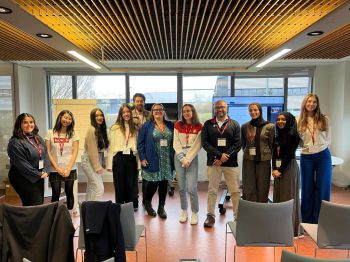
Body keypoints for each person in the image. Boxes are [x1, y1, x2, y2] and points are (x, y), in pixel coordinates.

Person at [202, 100, 241, 227]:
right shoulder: (208, 124)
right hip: (214, 162)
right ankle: (210, 216)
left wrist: (225, 157)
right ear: (214, 109)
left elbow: (238, 144)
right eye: (217, 107)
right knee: (212, 190)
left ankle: (237, 217)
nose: (220, 109)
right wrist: (219, 156)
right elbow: (205, 143)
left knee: (235, 191)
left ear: (227, 108)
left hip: (231, 163)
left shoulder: (234, 124)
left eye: (222, 107)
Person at [297, 93, 332, 224]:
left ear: (317, 104)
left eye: (314, 102)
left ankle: (320, 219)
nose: (311, 104)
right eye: (309, 102)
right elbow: (299, 141)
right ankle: (306, 220)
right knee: (306, 188)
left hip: (323, 155)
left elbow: (329, 138)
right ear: (305, 104)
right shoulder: (298, 120)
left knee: (322, 187)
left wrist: (319, 147)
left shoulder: (325, 119)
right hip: (306, 157)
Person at [137, 103, 174, 219]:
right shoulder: (146, 126)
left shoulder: (170, 125)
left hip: (167, 160)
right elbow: (140, 144)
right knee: (152, 183)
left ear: (164, 111)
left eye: (160, 109)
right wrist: (142, 158)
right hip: (152, 158)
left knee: (163, 183)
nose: (158, 111)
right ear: (152, 112)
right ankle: (148, 204)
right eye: (155, 109)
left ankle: (161, 207)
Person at [7, 113, 49, 206]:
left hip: (38, 176)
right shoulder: (15, 142)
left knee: (39, 203)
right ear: (19, 125)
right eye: (25, 122)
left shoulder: (37, 137)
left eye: (31, 122)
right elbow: (22, 164)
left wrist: (45, 170)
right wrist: (38, 173)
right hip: (22, 176)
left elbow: (45, 154)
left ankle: (35, 220)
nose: (29, 125)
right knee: (33, 203)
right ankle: (29, 220)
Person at [45, 110, 79, 214]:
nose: (67, 120)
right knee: (55, 192)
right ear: (60, 117)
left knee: (69, 192)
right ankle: (54, 216)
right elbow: (48, 152)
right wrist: (57, 168)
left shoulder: (73, 133)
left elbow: (75, 152)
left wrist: (68, 168)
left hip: (70, 167)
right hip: (55, 168)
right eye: (65, 117)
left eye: (69, 118)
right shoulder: (50, 133)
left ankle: (68, 217)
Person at [272, 112, 301, 236]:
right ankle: (279, 228)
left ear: (289, 120)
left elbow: (289, 154)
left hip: (288, 168)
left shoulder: (293, 134)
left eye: (283, 119)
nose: (280, 121)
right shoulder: (277, 134)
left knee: (288, 198)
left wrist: (280, 170)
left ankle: (290, 230)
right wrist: (274, 168)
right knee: (278, 198)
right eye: (278, 119)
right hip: (278, 170)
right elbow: (274, 153)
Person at [173, 104, 202, 225]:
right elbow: (176, 142)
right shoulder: (177, 125)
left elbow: (197, 145)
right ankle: (184, 210)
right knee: (181, 187)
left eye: (188, 111)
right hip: (179, 157)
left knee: (191, 187)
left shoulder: (199, 126)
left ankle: (195, 212)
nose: (186, 113)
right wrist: (182, 158)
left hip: (192, 158)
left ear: (193, 112)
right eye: (184, 111)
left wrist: (188, 159)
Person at [241, 102, 275, 203]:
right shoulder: (245, 126)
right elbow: (244, 144)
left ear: (260, 110)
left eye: (255, 110)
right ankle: (250, 209)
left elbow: (271, 144)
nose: (253, 112)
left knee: (263, 186)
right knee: (248, 186)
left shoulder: (270, 126)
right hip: (248, 160)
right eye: (250, 110)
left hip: (264, 161)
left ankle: (261, 209)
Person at [107, 104, 138, 208]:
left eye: (128, 112)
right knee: (119, 184)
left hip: (131, 157)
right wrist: (109, 164)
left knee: (131, 184)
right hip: (118, 158)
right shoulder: (115, 128)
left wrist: (138, 163)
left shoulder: (134, 127)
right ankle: (119, 205)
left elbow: (137, 145)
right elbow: (111, 147)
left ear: (131, 113)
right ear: (120, 114)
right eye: (124, 112)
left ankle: (130, 206)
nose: (126, 114)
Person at [81, 108, 109, 201]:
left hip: (93, 160)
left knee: (92, 188)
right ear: (92, 118)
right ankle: (95, 211)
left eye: (101, 115)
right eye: (96, 116)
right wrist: (98, 167)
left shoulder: (100, 129)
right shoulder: (91, 130)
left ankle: (88, 210)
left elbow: (102, 149)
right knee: (99, 188)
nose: (99, 117)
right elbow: (92, 151)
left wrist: (103, 163)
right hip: (89, 160)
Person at [132, 93, 151, 209]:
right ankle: (135, 200)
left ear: (144, 102)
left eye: (141, 101)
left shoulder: (149, 115)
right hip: (133, 148)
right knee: (133, 176)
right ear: (134, 102)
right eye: (137, 101)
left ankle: (146, 200)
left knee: (146, 177)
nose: (139, 103)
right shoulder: (129, 114)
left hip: (146, 148)